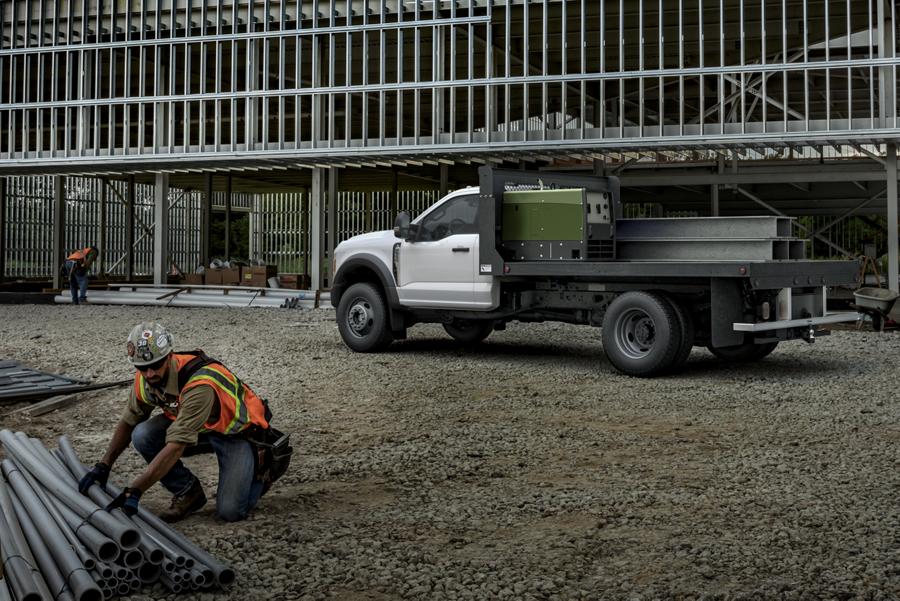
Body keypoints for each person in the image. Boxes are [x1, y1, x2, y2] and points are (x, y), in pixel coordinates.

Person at [78, 322, 292, 522]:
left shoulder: (200, 383)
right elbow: (129, 420)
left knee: (230, 511)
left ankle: (261, 471)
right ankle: (189, 492)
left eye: (156, 365)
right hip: (201, 427)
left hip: (237, 435)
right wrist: (104, 465)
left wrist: (135, 489)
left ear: (169, 356)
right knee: (143, 434)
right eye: (143, 368)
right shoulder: (145, 377)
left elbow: (177, 444)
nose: (150, 373)